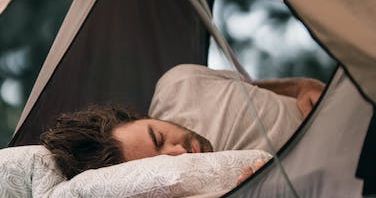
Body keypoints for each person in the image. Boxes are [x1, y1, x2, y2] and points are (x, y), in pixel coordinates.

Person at [41, 64, 325, 179]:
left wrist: (302, 87)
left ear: (143, 117)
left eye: (159, 138)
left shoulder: (181, 81)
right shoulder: (202, 187)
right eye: (162, 162)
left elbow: (255, 87)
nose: (179, 152)